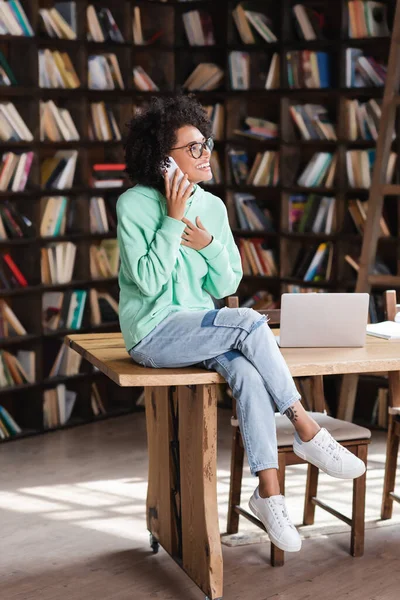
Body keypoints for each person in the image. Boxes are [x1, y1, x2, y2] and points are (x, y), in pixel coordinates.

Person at [117, 94, 366, 554]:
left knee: (249, 374)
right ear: (162, 159)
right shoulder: (134, 205)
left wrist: (209, 242)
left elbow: (228, 277)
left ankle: (268, 492)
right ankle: (306, 428)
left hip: (199, 326)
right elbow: (149, 284)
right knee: (251, 323)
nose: (205, 153)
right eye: (192, 147)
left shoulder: (212, 207)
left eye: (205, 143)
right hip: (153, 332)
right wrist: (172, 222)